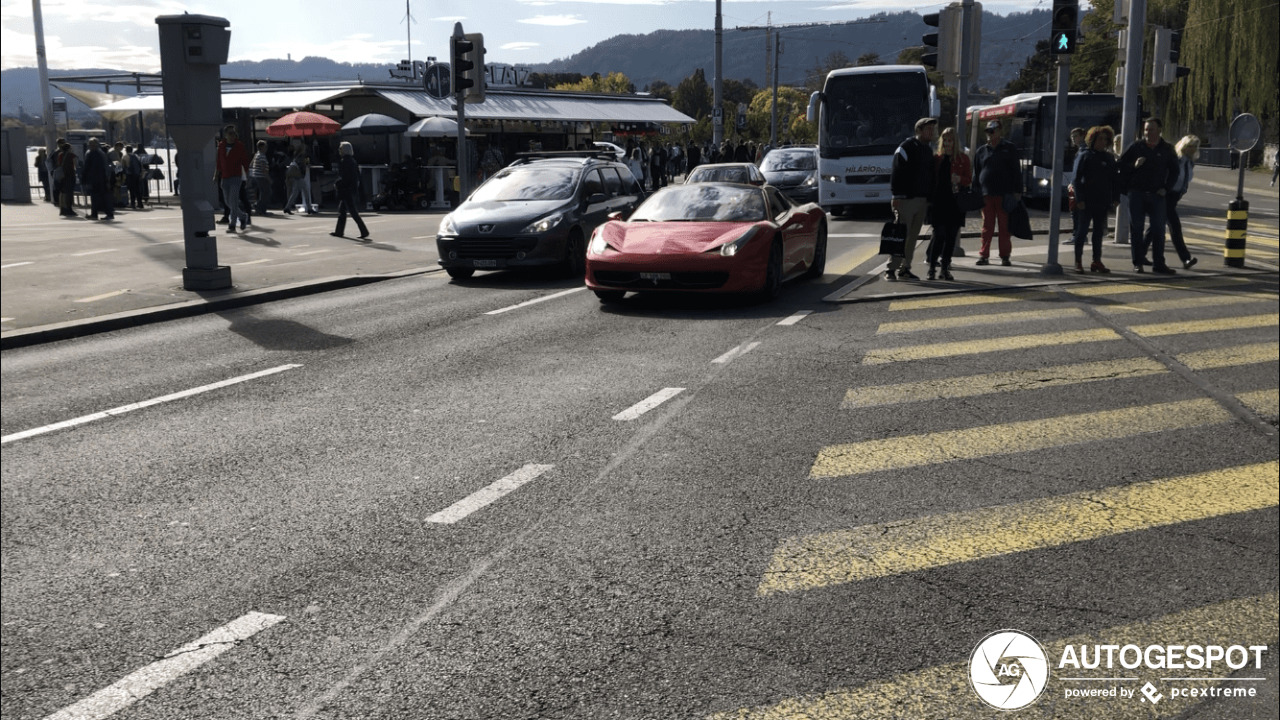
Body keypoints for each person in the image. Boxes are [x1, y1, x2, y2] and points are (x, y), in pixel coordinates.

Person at [1119, 118, 1179, 274]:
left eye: (1151, 129)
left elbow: (1175, 171)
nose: (1147, 133)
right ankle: (1138, 263)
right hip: (1136, 193)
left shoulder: (1167, 149)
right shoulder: (1136, 147)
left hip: (1157, 195)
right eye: (1146, 129)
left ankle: (1159, 264)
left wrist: (1166, 188)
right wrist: (1134, 165)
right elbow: (1120, 165)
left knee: (1159, 230)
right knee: (1137, 229)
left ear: (1159, 130)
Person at [887, 116, 938, 281]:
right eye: (928, 129)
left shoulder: (928, 150)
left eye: (933, 129)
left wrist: (929, 199)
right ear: (919, 131)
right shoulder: (906, 147)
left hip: (921, 200)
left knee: (913, 237)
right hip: (905, 200)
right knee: (900, 235)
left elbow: (930, 176)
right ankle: (891, 269)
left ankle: (905, 268)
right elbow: (896, 172)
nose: (932, 132)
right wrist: (896, 195)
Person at [1069, 125, 1119, 273]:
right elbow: (1076, 179)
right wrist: (1080, 199)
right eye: (1100, 138)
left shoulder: (1109, 158)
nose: (1103, 142)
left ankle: (1096, 261)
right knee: (1081, 231)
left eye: (1105, 139)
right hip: (1085, 201)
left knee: (1098, 233)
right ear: (1093, 139)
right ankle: (1078, 261)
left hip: (1102, 201)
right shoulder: (1084, 155)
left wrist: (1115, 198)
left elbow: (1115, 179)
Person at [972, 119, 1023, 266]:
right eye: (988, 131)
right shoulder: (981, 151)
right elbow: (977, 171)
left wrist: (1017, 191)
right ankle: (984, 255)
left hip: (1004, 193)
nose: (989, 134)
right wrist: (975, 191)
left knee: (1004, 227)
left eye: (992, 131)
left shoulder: (1009, 148)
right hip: (986, 194)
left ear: (999, 131)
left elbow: (1016, 171)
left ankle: (1005, 255)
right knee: (987, 227)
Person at [926, 126, 970, 281]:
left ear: (955, 142)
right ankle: (931, 267)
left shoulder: (962, 159)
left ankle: (944, 268)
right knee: (939, 235)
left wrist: (960, 180)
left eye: (950, 140)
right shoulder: (937, 158)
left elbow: (969, 179)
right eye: (945, 140)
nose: (947, 143)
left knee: (951, 238)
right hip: (939, 203)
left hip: (955, 203)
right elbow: (930, 181)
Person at [1166, 135, 1200, 270]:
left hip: (1175, 197)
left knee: (1155, 228)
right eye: (1190, 146)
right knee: (1175, 228)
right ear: (1184, 146)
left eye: (1195, 146)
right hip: (1167, 195)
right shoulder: (1177, 160)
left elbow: (1185, 180)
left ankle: (1140, 255)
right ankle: (1185, 258)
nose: (1193, 149)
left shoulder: (1190, 163)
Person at [214, 126, 251, 232]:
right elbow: (219, 162)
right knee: (227, 202)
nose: (232, 136)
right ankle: (243, 216)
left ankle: (233, 224)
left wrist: (247, 176)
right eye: (230, 133)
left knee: (233, 201)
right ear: (225, 135)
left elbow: (244, 161)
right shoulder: (221, 146)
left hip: (236, 176)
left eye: (233, 133)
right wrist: (216, 174)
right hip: (225, 177)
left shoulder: (239, 146)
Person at [331, 141, 369, 240]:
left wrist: (338, 183)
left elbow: (345, 177)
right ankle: (339, 231)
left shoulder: (345, 161)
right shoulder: (352, 160)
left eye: (340, 149)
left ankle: (363, 231)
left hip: (346, 189)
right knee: (343, 211)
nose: (339, 151)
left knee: (351, 212)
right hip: (351, 189)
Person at [81, 138, 114, 221]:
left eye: (92, 144)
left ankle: (98, 214)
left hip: (97, 179)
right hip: (99, 178)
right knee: (99, 197)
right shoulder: (100, 153)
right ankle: (99, 213)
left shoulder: (93, 154)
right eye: (90, 144)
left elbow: (88, 167)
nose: (91, 146)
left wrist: (84, 177)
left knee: (98, 197)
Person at [283, 145, 316, 215]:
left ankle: (287, 207)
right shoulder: (303, 156)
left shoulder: (296, 156)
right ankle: (309, 208)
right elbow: (304, 165)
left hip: (294, 175)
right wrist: (307, 165)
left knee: (295, 192)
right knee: (305, 191)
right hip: (299, 176)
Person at [56, 138, 78, 217]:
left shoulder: (60, 155)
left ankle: (63, 209)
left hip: (62, 176)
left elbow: (59, 164)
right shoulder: (72, 155)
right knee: (69, 193)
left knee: (63, 192)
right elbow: (76, 165)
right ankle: (69, 209)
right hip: (70, 175)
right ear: (69, 149)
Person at [249, 140, 271, 214]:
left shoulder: (257, 155)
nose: (267, 148)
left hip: (256, 176)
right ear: (261, 147)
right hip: (261, 177)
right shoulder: (261, 156)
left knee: (263, 193)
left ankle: (259, 207)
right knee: (266, 193)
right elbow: (263, 169)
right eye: (265, 147)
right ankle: (260, 207)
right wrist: (269, 178)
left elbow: (251, 165)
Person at [123, 145, 143, 209]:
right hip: (136, 175)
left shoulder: (125, 156)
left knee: (131, 190)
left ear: (126, 150)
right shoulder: (136, 156)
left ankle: (132, 204)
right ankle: (140, 203)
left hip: (130, 175)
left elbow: (123, 166)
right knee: (137, 190)